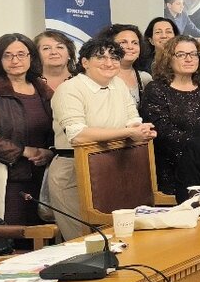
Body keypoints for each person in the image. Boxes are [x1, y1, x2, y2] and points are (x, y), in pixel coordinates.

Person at [48, 38, 157, 240]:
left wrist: (142, 130)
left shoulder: (119, 84)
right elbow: (78, 135)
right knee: (85, 240)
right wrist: (127, 133)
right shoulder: (69, 89)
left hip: (114, 168)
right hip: (72, 170)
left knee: (118, 239)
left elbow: (132, 120)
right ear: (85, 62)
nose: (109, 63)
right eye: (100, 57)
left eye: (114, 58)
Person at [0, 34, 55, 226]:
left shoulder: (45, 92)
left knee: (46, 236)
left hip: (44, 179)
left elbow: (58, 131)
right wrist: (22, 151)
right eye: (7, 55)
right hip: (7, 181)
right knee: (9, 235)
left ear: (31, 57)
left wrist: (50, 152)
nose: (15, 60)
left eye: (21, 54)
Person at [139, 35, 200, 195]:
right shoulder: (156, 89)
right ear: (169, 58)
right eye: (181, 54)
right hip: (174, 169)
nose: (189, 59)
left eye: (193, 54)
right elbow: (162, 131)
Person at [97, 23, 152, 107]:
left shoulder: (145, 78)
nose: (130, 47)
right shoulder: (100, 77)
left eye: (135, 43)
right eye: (123, 42)